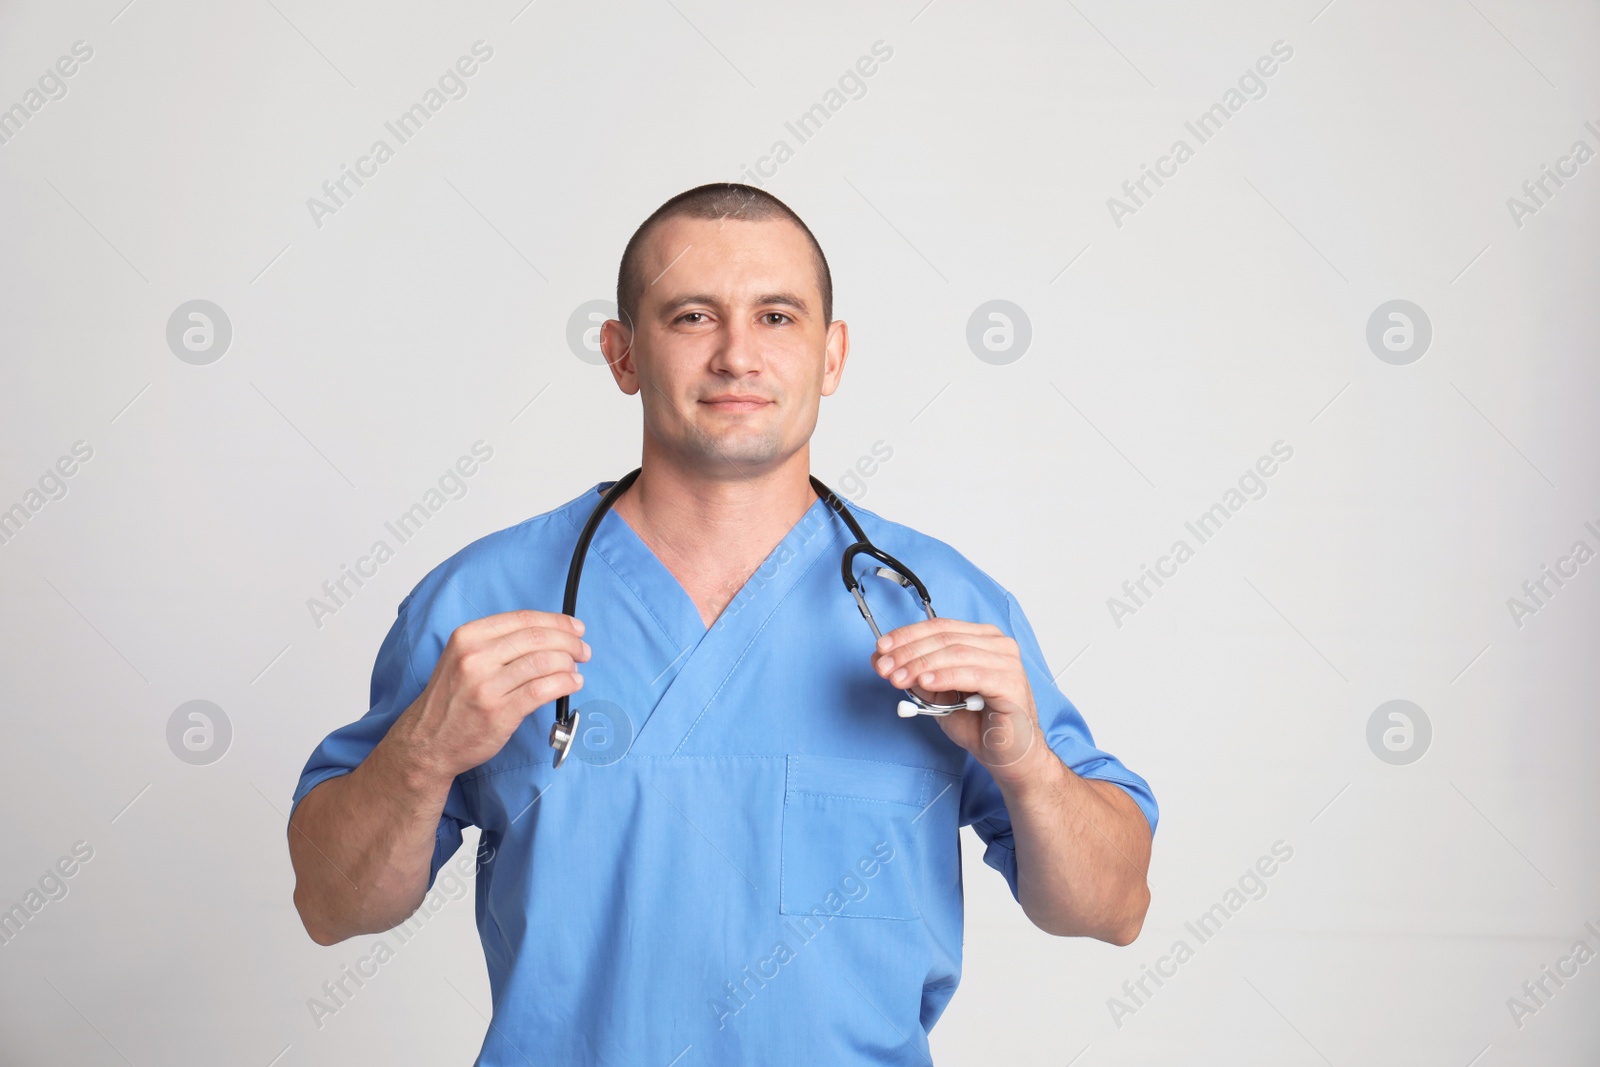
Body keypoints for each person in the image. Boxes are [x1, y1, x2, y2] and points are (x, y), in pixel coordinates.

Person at [288, 182, 1157, 1065]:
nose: (738, 355)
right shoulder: (484, 601)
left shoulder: (938, 606)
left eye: (778, 316)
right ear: (622, 355)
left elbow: (1112, 908)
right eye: (693, 316)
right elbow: (331, 904)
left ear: (832, 355)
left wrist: (1028, 767)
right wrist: (422, 755)